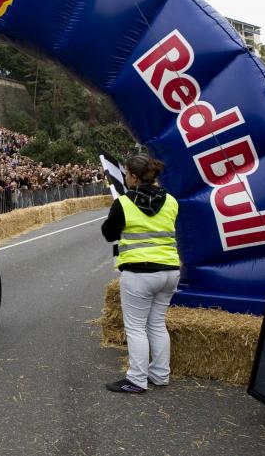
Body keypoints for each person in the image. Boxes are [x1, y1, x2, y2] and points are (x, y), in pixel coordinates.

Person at [101, 154, 180, 394]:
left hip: (139, 272)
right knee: (156, 324)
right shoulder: (171, 201)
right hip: (170, 270)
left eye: (126, 173)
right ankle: (160, 373)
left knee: (135, 328)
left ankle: (136, 379)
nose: (124, 177)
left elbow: (109, 233)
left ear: (134, 176)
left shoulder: (124, 202)